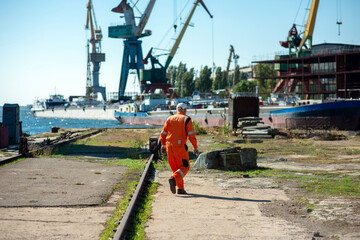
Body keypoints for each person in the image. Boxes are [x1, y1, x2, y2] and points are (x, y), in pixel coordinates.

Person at [160, 103, 199, 194]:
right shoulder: (186, 119)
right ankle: (173, 179)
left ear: (177, 109)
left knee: (176, 169)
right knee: (185, 166)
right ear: (185, 110)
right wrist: (195, 147)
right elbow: (191, 135)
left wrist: (163, 145)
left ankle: (180, 188)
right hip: (180, 147)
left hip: (169, 146)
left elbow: (163, 133)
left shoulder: (169, 119)